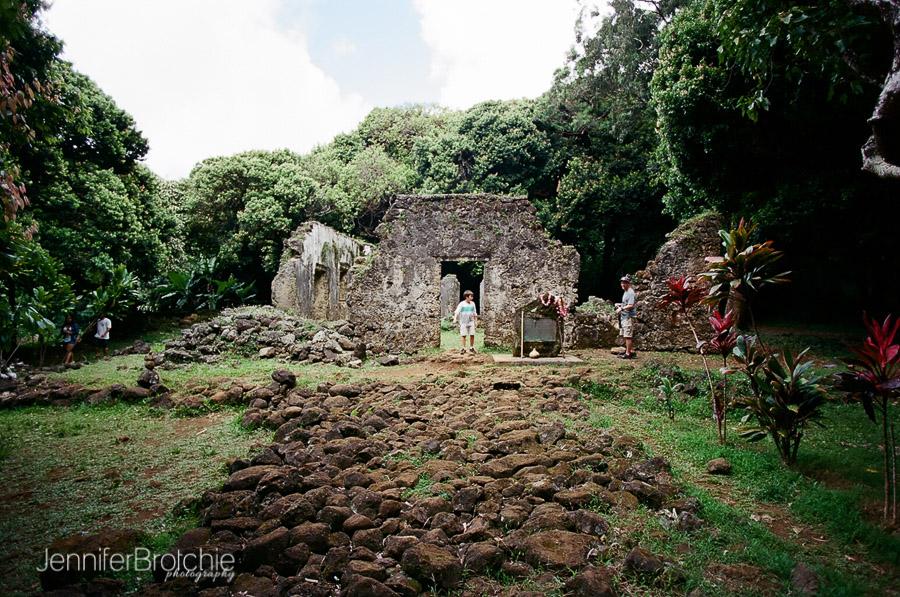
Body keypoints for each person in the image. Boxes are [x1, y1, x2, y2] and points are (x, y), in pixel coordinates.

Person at [616, 275, 637, 359]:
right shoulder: (626, 292)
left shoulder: (631, 293)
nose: (623, 284)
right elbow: (626, 303)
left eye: (625, 283)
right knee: (624, 335)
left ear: (628, 284)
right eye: (622, 283)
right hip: (624, 316)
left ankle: (628, 353)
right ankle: (632, 350)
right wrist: (619, 304)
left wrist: (621, 308)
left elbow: (631, 305)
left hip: (628, 316)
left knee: (628, 335)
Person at [452, 290, 479, 355]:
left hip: (471, 321)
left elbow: (475, 313)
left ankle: (471, 347)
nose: (472, 298)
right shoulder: (462, 304)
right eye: (471, 296)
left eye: (472, 296)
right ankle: (463, 348)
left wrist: (476, 321)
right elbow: (457, 312)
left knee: (472, 334)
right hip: (463, 322)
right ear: (466, 297)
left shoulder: (473, 304)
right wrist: (455, 319)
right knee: (463, 335)